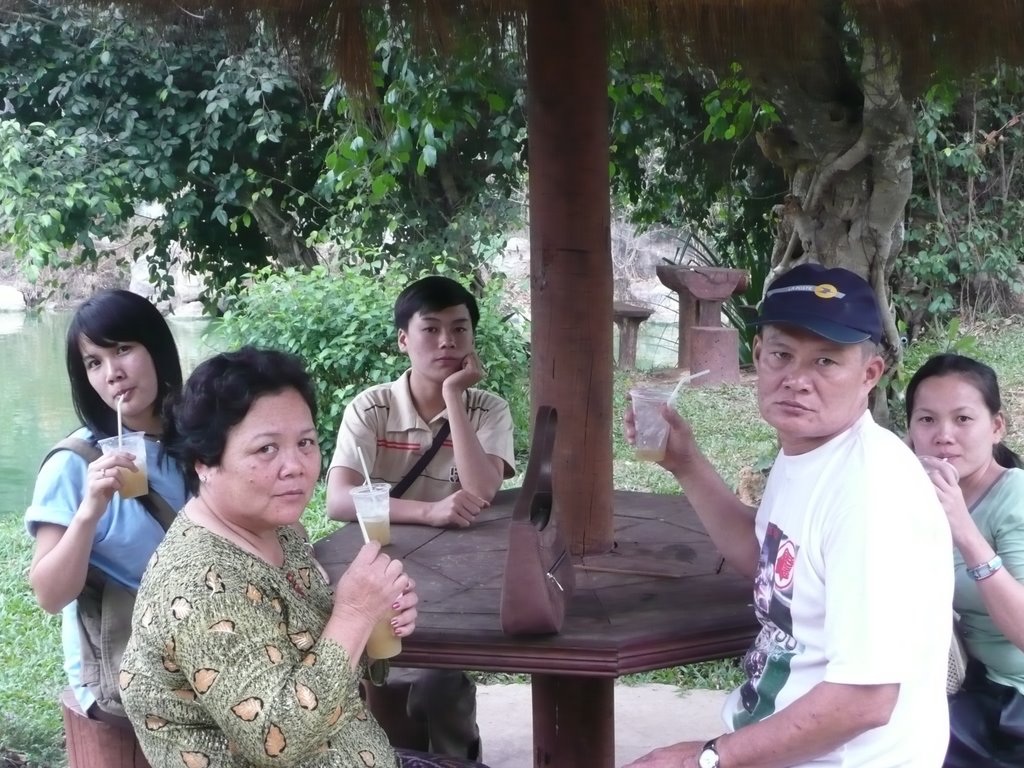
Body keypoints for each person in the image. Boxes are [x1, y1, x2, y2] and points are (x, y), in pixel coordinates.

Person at [623, 262, 954, 768]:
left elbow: (864, 701)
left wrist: (706, 759)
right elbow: (768, 560)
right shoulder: (810, 452)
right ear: (758, 357)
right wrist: (685, 462)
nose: (796, 380)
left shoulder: (872, 492)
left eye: (826, 362)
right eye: (782, 355)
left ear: (869, 374)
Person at [119, 346, 489, 768]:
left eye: (306, 442)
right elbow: (278, 740)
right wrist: (353, 613)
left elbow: (318, 661)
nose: (295, 466)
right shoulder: (200, 583)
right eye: (266, 449)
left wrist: (370, 626)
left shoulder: (278, 534)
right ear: (205, 461)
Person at [325, 275, 515, 761]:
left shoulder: (488, 408)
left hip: (461, 575)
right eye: (430, 329)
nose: (447, 341)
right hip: (381, 567)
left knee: (441, 685)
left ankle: (457, 758)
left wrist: (454, 399)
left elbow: (481, 492)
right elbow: (339, 500)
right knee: (384, 690)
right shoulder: (371, 408)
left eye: (460, 329)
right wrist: (429, 511)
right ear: (403, 339)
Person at [25, 289, 188, 736]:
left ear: (154, 347)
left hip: (205, 636)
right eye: (94, 362)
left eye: (122, 350)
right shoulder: (73, 464)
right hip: (124, 665)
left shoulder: (199, 438)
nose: (113, 373)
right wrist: (89, 509)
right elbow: (49, 596)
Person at [906, 353, 1024, 767]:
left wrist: (964, 529)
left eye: (963, 419)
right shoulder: (916, 495)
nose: (943, 435)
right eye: (926, 420)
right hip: (971, 682)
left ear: (996, 427)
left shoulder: (1015, 498)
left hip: (1013, 701)